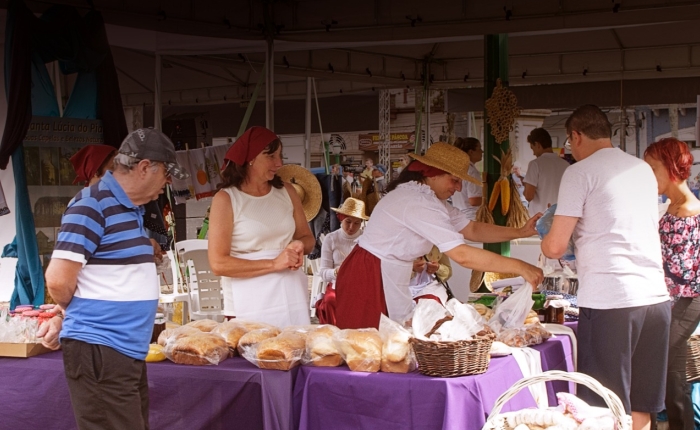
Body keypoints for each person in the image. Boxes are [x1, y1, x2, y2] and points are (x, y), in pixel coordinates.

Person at [45, 128, 189, 430]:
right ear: (145, 167)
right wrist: (82, 313)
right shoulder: (92, 203)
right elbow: (58, 280)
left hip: (121, 351)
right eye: (166, 173)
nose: (168, 183)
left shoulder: (129, 208)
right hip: (101, 349)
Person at [541, 105, 670, 430]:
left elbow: (556, 246)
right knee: (641, 406)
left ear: (576, 136)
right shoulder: (640, 168)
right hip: (655, 298)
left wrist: (540, 234)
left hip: (611, 300)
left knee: (603, 408)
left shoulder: (579, 172)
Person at [334, 142, 544, 329]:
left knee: (393, 340)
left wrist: (520, 231)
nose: (459, 187)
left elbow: (472, 229)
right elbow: (462, 255)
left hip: (385, 270)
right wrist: (520, 266)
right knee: (370, 349)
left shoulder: (429, 199)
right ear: (433, 173)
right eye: (454, 180)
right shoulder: (418, 202)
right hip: (368, 275)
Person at [208, 126, 315, 327]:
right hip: (245, 300)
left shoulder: (287, 191)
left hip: (289, 292)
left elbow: (307, 238)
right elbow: (218, 264)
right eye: (271, 156)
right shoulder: (226, 199)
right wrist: (274, 264)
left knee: (292, 350)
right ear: (250, 158)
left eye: (280, 155)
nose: (279, 163)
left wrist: (299, 246)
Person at [645, 138, 700, 430]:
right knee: (673, 370)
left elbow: (685, 269)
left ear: (670, 168)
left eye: (652, 168)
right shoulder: (671, 207)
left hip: (691, 298)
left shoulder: (692, 210)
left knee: (661, 360)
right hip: (673, 298)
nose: (648, 176)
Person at [315, 197, 369, 325]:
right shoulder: (331, 239)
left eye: (356, 223)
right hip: (336, 285)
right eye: (348, 221)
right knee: (330, 301)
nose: (351, 227)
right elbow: (323, 272)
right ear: (340, 218)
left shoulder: (366, 239)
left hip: (359, 286)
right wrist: (336, 272)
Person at [523, 128, 570, 216]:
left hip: (540, 219)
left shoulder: (535, 164)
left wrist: (525, 187)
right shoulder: (566, 165)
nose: (533, 153)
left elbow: (529, 196)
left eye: (532, 148)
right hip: (560, 217)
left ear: (537, 145)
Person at [451, 137, 483, 220]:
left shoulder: (457, 168)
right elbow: (474, 201)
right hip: (471, 217)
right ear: (471, 152)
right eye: (479, 149)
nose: (482, 151)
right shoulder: (472, 172)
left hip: (459, 215)